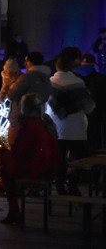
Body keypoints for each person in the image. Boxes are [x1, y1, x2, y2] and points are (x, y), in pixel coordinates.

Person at [0, 93, 59, 225]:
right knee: (7, 163)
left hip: (36, 167)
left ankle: (14, 209)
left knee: (5, 168)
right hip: (48, 165)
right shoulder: (45, 121)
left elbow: (21, 148)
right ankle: (13, 205)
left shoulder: (28, 124)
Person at [46, 46, 96, 196]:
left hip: (56, 128)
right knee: (79, 160)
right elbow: (89, 107)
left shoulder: (50, 83)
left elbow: (46, 106)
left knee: (59, 159)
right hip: (76, 128)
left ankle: (60, 186)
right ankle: (73, 185)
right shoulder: (78, 82)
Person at [5, 51, 53, 147]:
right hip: (39, 118)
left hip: (20, 119)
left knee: (16, 146)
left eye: (26, 61)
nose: (24, 63)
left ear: (31, 62)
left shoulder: (26, 77)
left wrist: (10, 85)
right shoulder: (46, 78)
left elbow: (12, 95)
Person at [73, 53, 106, 153]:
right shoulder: (101, 78)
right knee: (94, 140)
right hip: (95, 112)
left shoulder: (75, 77)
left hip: (80, 113)